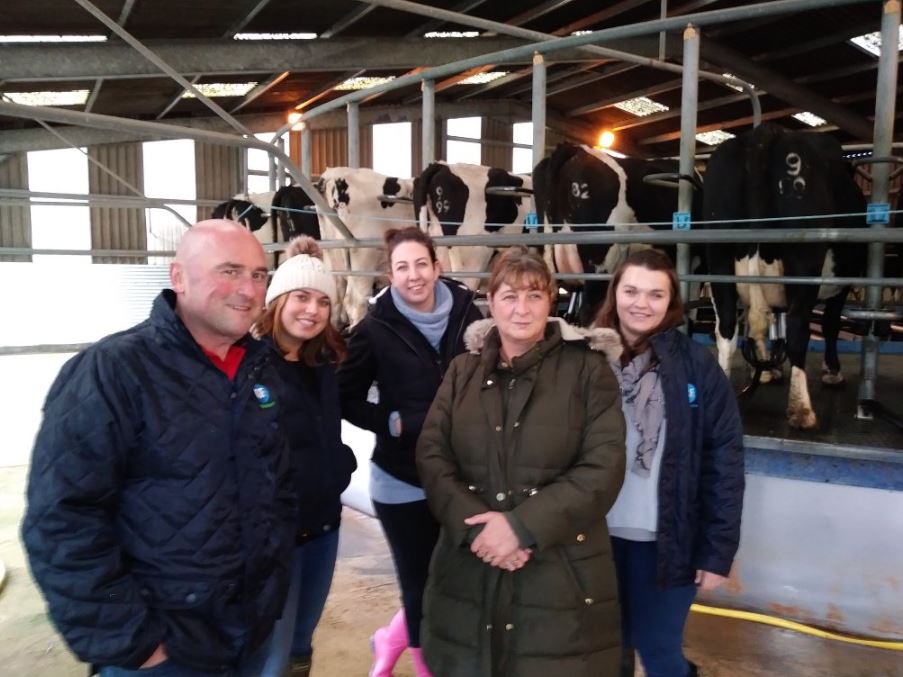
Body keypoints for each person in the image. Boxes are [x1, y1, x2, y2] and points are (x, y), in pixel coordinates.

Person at [22, 220, 296, 677]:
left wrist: (272, 588)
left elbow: (279, 488)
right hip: (162, 649)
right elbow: (62, 518)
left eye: (258, 275)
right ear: (178, 277)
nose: (249, 290)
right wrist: (130, 636)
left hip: (248, 632)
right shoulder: (113, 371)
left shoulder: (260, 371)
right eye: (229, 271)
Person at [415, 246, 627, 677]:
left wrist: (521, 527)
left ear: (551, 302)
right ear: (491, 303)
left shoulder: (588, 372)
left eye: (534, 295)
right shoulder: (461, 373)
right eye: (509, 296)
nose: (521, 308)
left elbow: (603, 468)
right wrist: (478, 529)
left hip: (559, 576)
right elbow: (432, 455)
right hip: (469, 569)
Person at [337, 227, 483, 677]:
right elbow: (345, 395)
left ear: (438, 267)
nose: (414, 275)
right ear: (390, 275)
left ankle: (390, 638)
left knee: (456, 580)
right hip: (402, 479)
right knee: (419, 586)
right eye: (402, 267)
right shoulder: (375, 328)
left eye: (421, 264)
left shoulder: (469, 314)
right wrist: (389, 421)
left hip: (460, 477)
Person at [594, 248, 745, 677]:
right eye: (631, 291)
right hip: (592, 538)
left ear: (671, 301)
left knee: (660, 652)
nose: (641, 304)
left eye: (655, 294)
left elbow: (724, 461)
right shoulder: (585, 359)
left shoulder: (697, 366)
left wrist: (717, 552)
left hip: (667, 542)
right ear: (614, 293)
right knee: (604, 650)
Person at [254, 236, 357, 677]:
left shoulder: (323, 364)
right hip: (276, 536)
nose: (312, 310)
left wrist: (339, 467)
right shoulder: (252, 366)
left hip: (324, 526)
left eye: (322, 301)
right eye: (301, 297)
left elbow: (328, 433)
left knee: (300, 643)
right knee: (271, 651)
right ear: (277, 300)